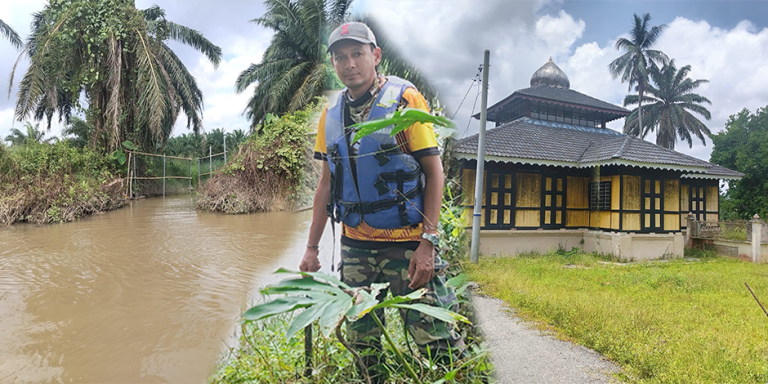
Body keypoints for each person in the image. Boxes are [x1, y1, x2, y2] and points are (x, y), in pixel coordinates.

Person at [298, 21, 465, 381]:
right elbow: (325, 186)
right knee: (363, 342)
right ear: (333, 64)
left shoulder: (405, 101)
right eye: (340, 57)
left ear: (375, 55)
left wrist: (428, 244)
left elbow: (434, 174)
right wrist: (311, 248)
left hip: (408, 243)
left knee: (435, 338)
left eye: (357, 54)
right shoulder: (330, 116)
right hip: (356, 245)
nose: (349, 64)